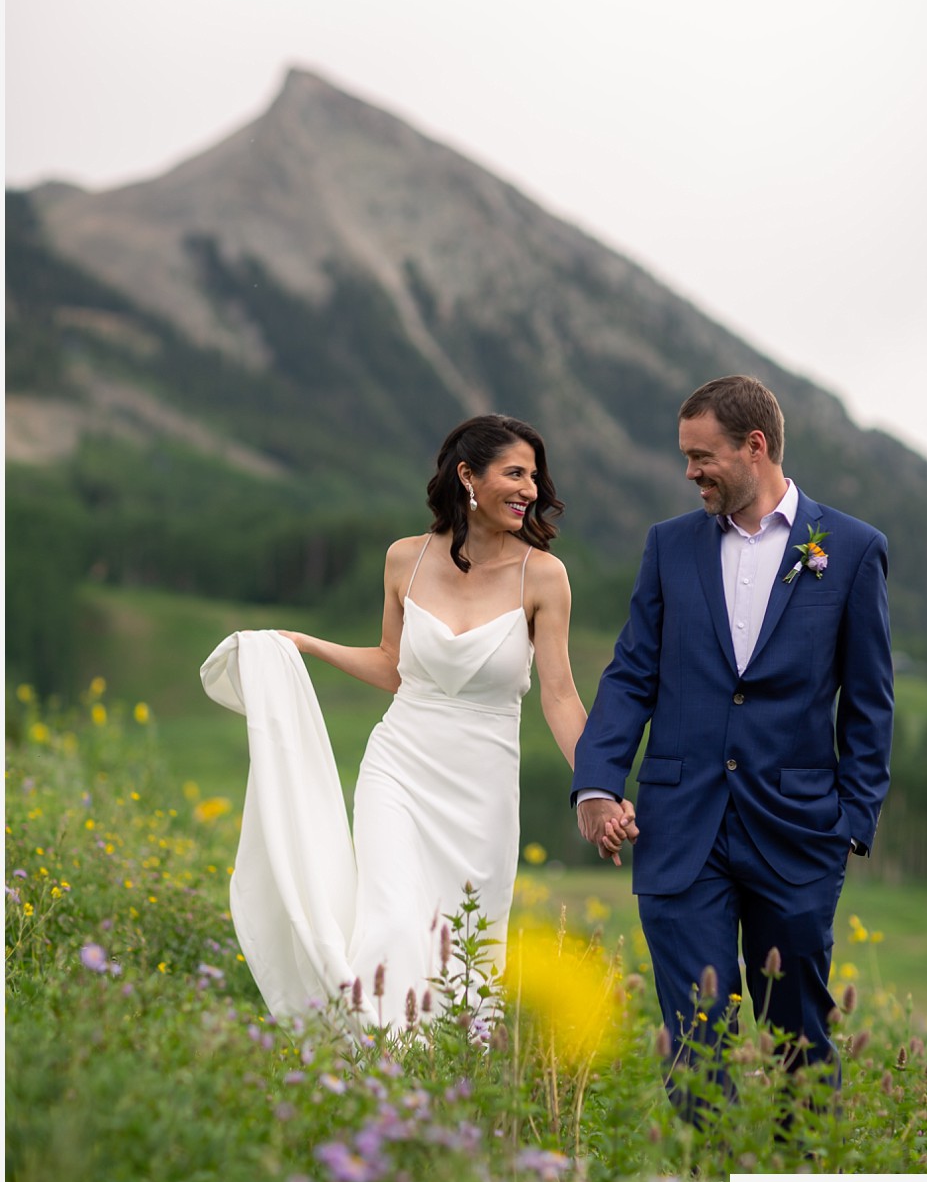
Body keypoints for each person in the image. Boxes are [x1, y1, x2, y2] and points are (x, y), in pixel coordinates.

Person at [201, 413, 635, 1030]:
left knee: (464, 951)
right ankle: (368, 1070)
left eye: (534, 477)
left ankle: (440, 1092)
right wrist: (307, 643)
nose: (530, 490)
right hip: (398, 768)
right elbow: (391, 664)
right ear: (468, 477)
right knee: (392, 920)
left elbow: (560, 697)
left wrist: (602, 783)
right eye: (515, 473)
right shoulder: (405, 558)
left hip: (483, 789)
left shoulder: (543, 575)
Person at [572, 375, 894, 1116]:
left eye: (701, 455)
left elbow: (870, 703)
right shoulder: (669, 546)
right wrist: (597, 783)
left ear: (756, 446)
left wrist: (851, 821)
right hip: (681, 826)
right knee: (694, 1033)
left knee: (799, 1040)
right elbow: (630, 673)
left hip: (800, 831)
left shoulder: (849, 549)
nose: (690, 472)